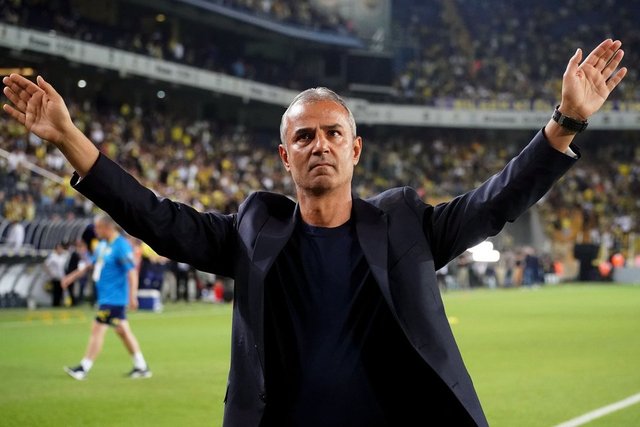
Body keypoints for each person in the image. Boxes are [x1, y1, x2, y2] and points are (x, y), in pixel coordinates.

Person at [2, 39, 627, 426]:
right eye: (304, 136)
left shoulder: (405, 224)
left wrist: (567, 120)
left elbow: (497, 201)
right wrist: (69, 138)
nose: (320, 144)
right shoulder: (254, 230)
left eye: (333, 134)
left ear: (355, 149)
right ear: (285, 156)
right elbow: (156, 219)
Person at [59, 214, 152, 380]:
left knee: (97, 328)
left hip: (114, 299)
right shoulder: (102, 245)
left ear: (108, 227)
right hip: (105, 297)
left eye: (98, 227)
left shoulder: (121, 246)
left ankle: (83, 367)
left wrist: (132, 296)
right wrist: (70, 277)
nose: (95, 231)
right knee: (122, 331)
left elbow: (132, 272)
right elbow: (89, 265)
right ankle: (141, 366)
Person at [43, 241, 68, 307]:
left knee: (61, 292)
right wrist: (50, 273)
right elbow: (45, 265)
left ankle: (60, 304)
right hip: (55, 277)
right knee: (56, 292)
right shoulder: (52, 256)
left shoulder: (63, 256)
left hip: (62, 277)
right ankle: (55, 304)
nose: (60, 250)